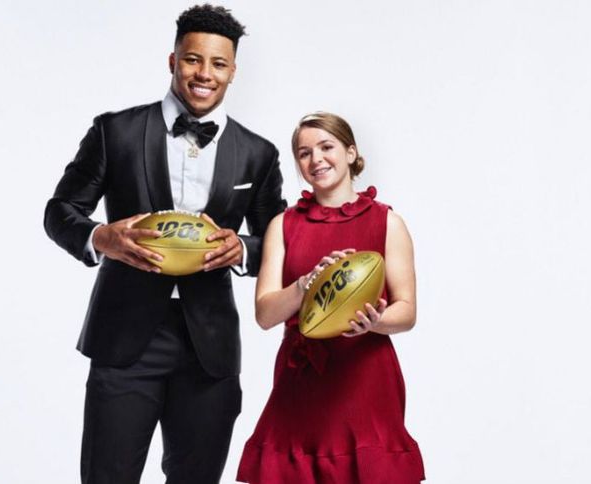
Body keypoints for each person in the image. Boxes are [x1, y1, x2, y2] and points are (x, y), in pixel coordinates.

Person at [43, 5, 286, 484]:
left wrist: (242, 250)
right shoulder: (115, 132)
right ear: (173, 60)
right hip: (124, 340)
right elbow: (59, 211)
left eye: (218, 64)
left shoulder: (258, 153)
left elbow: (278, 242)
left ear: (233, 71)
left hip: (209, 347)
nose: (205, 73)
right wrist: (101, 237)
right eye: (193, 59)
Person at [236, 112, 425, 483]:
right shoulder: (283, 225)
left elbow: (407, 311)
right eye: (304, 153)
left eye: (326, 147)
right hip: (302, 380)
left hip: (365, 378)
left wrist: (375, 322)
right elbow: (265, 315)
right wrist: (305, 284)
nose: (316, 159)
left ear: (351, 153)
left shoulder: (387, 222)